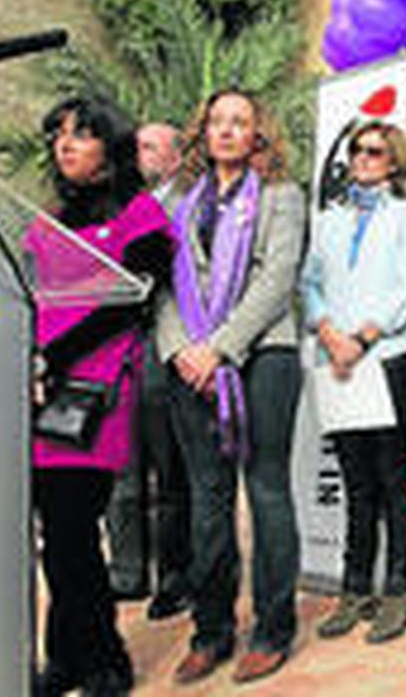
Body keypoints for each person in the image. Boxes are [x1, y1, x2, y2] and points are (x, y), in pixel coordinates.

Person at [155, 88, 305, 685]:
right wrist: (181, 351)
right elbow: (162, 283)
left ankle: (273, 628)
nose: (226, 130)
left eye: (239, 122)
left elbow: (278, 278)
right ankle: (211, 630)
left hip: (264, 351)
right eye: (216, 120)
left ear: (257, 134)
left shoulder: (281, 196)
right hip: (188, 359)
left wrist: (220, 347)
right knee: (207, 499)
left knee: (266, 491)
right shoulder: (175, 202)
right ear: (203, 131)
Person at [27, 96, 174, 697]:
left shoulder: (141, 215)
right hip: (37, 391)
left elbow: (131, 302)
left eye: (82, 135)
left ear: (110, 150)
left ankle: (105, 661)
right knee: (57, 539)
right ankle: (65, 655)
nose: (66, 144)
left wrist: (51, 359)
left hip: (96, 394)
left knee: (73, 531)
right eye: (59, 135)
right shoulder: (45, 222)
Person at [300, 120, 406, 644]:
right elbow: (310, 281)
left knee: (392, 475)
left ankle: (398, 589)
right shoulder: (329, 219)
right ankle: (355, 588)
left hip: (389, 358)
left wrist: (362, 338)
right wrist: (329, 331)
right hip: (337, 361)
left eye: (374, 152)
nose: (362, 159)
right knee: (355, 480)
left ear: (394, 161)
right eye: (357, 151)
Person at [106, 120, 192, 620]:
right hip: (116, 349)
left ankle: (175, 574)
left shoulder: (187, 205)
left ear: (176, 158)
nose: (137, 153)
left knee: (168, 468)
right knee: (123, 466)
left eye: (149, 146)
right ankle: (126, 570)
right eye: (135, 145)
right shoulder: (116, 207)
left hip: (164, 341)